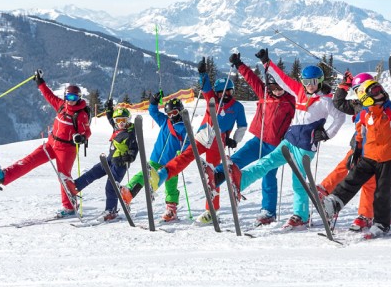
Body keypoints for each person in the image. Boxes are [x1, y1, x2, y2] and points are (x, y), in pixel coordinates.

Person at [209, 49, 347, 230]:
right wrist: (267, 63)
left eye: (313, 82)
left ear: (320, 81)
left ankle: (301, 215)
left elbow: (340, 118)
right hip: (288, 142)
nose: (309, 85)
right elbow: (282, 78)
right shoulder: (298, 91)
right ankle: (239, 181)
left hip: (305, 146)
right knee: (266, 163)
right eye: (306, 82)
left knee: (297, 181)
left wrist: (327, 134)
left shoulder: (325, 101)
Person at [143, 58, 247, 224]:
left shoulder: (237, 107)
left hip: (218, 142)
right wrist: (202, 73)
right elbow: (205, 87)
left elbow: (242, 126)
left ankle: (211, 211)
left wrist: (234, 140)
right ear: (218, 93)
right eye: (223, 93)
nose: (226, 95)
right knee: (183, 158)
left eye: (230, 92)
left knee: (212, 175)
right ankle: (160, 177)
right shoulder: (212, 99)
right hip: (202, 136)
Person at [317, 71, 391, 231]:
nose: (381, 93)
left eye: (379, 89)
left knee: (379, 190)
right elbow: (356, 127)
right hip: (364, 153)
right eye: (374, 91)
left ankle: (372, 219)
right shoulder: (361, 110)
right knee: (351, 176)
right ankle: (333, 200)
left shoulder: (390, 109)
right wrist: (357, 148)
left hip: (387, 156)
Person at [0, 70, 92, 218]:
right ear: (65, 96)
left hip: (66, 149)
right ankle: (4, 177)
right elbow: (49, 96)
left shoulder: (80, 114)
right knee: (30, 160)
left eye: (74, 97)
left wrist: (81, 138)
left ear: (79, 98)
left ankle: (70, 207)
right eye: (68, 96)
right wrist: (40, 82)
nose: (71, 100)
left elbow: (87, 132)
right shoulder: (62, 106)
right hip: (51, 144)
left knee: (63, 176)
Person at [220, 52, 295, 226]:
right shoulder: (264, 93)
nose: (277, 91)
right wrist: (239, 64)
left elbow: (300, 119)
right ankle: (216, 175)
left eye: (280, 88)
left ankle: (268, 211)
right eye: (274, 88)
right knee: (236, 160)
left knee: (268, 177)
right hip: (258, 140)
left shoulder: (291, 101)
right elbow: (251, 78)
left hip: (275, 147)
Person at [120, 96, 188, 223]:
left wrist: (182, 152)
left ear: (180, 111)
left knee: (171, 186)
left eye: (175, 112)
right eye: (169, 113)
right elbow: (153, 112)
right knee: (143, 175)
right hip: (156, 159)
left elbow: (189, 145)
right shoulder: (165, 121)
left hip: (172, 162)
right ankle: (128, 192)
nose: (172, 116)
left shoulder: (184, 128)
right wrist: (153, 102)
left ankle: (171, 209)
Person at [65, 104, 138, 222]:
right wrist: (109, 109)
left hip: (119, 165)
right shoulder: (116, 128)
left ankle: (111, 210)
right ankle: (76, 186)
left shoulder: (130, 133)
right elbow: (110, 119)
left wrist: (129, 157)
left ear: (128, 120)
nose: (121, 123)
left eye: (124, 120)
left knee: (111, 187)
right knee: (93, 172)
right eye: (118, 120)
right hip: (109, 160)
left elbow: (134, 149)